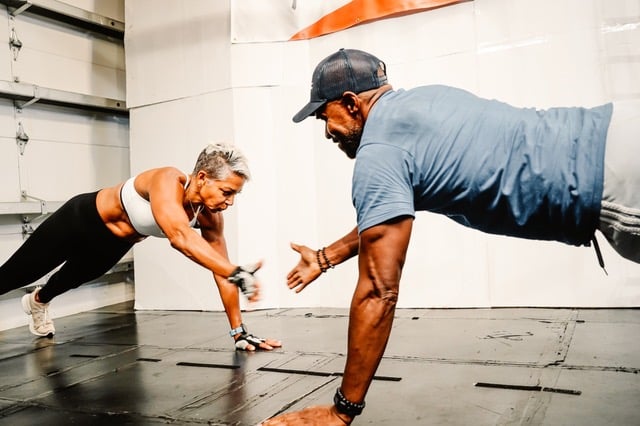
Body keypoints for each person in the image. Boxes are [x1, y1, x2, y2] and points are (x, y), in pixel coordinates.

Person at [261, 48, 639, 424]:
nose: (328, 132)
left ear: (350, 103)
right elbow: (386, 217)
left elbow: (379, 290)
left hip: (614, 186)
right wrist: (326, 257)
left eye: (325, 117)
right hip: (617, 129)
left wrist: (341, 411)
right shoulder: (429, 100)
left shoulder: (379, 152)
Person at [0, 142, 281, 352]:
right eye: (227, 192)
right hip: (80, 220)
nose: (230, 201)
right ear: (204, 177)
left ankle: (37, 302)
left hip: (114, 244)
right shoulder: (168, 180)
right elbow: (179, 237)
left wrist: (239, 331)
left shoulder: (209, 217)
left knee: (69, 280)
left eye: (235, 194)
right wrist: (235, 271)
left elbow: (221, 271)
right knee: (15, 275)